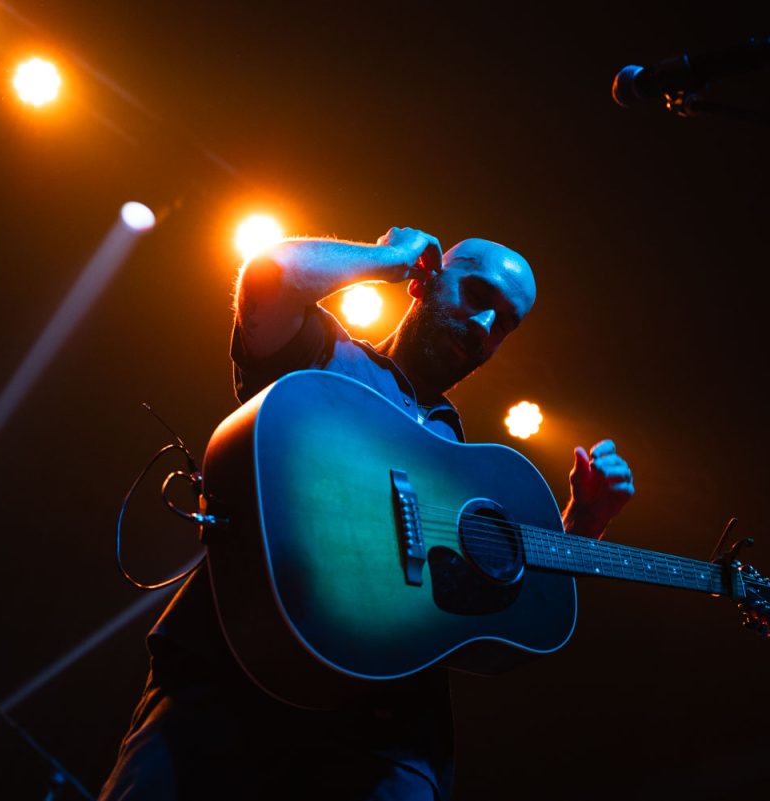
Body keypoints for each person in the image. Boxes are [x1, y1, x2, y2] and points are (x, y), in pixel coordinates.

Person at [99, 227, 634, 801]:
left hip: (385, 738)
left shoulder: (466, 462)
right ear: (427, 279)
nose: (484, 328)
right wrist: (389, 259)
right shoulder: (329, 360)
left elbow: (515, 604)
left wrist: (582, 525)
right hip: (231, 683)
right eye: (478, 296)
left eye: (504, 323)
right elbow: (269, 279)